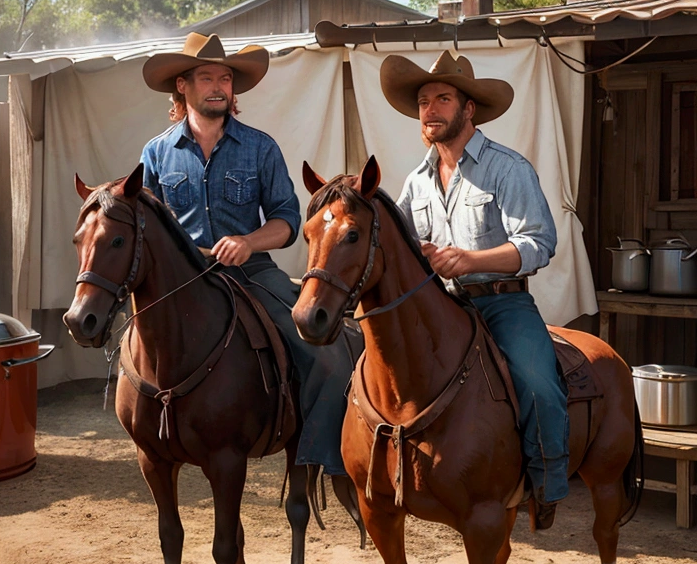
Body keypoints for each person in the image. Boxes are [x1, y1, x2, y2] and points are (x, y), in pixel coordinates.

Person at [139, 32, 354, 479]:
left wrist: (248, 242)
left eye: (225, 78)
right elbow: (146, 228)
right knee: (134, 351)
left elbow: (288, 220)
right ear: (182, 85)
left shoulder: (260, 147)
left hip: (253, 272)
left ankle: (320, 457)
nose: (219, 86)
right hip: (182, 281)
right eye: (206, 77)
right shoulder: (156, 153)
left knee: (327, 357)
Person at [380, 50, 569, 529]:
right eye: (424, 101)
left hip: (502, 302)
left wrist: (470, 260)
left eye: (443, 98)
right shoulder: (416, 182)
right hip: (441, 306)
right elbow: (398, 245)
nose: (430, 109)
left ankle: (547, 483)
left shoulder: (508, 168)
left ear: (468, 109)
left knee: (537, 382)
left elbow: (538, 243)